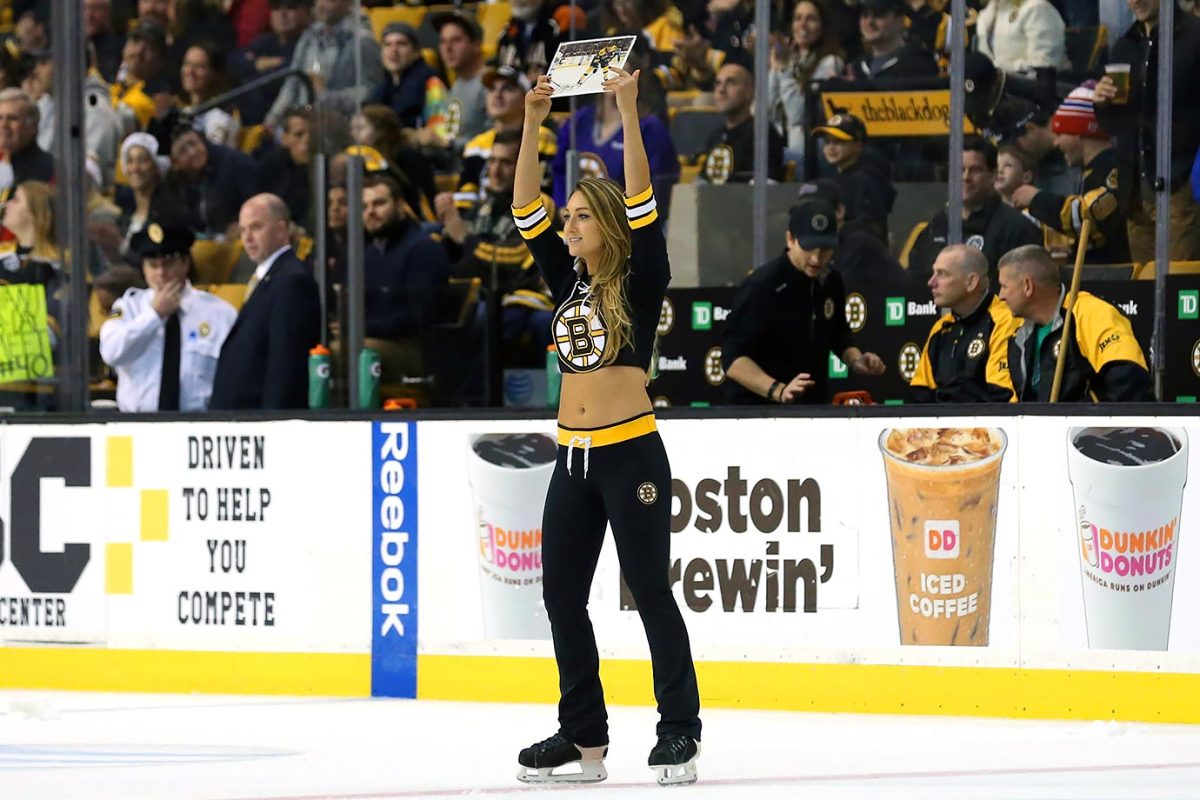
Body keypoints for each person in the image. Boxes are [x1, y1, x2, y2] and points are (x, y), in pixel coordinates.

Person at [511, 67, 702, 786]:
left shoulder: (642, 271)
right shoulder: (566, 279)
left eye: (581, 218)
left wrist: (626, 107)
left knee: (650, 590)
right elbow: (525, 200)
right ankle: (582, 737)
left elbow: (643, 196)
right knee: (561, 597)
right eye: (568, 221)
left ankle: (679, 729)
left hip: (631, 455)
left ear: (608, 224)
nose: (568, 227)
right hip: (572, 459)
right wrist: (534, 120)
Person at [722, 199, 886, 405]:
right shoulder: (762, 285)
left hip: (813, 407)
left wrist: (856, 360)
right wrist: (778, 390)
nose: (817, 259)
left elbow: (838, 334)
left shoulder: (830, 280)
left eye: (825, 250)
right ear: (790, 239)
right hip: (758, 410)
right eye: (809, 248)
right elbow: (732, 358)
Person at [1093, 0, 1200, 262]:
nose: (1135, 0)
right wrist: (1102, 103)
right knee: (1143, 286)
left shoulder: (1196, 37)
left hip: (1180, 181)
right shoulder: (1124, 45)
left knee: (1178, 284)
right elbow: (1115, 126)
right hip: (1136, 190)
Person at [99, 219, 237, 411]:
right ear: (143, 269)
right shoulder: (128, 308)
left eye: (168, 263)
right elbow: (111, 353)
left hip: (198, 427)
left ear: (185, 263)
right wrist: (154, 315)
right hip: (137, 427)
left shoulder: (219, 313)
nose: (160, 273)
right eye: (152, 265)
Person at [996, 244, 1153, 402]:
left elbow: (1129, 382)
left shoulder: (1091, 313)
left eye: (1004, 286)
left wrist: (1091, 424)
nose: (1000, 295)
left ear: (1027, 286)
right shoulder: (1020, 334)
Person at [209, 193, 321, 409]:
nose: (247, 238)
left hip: (262, 424)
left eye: (256, 227)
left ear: (281, 230)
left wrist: (273, 421)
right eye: (242, 230)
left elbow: (286, 363)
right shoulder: (269, 276)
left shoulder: (291, 280)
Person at [1011, 83, 1131, 266]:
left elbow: (1090, 216)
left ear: (1080, 133)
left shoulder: (1114, 167)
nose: (1056, 143)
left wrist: (1037, 198)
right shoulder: (1091, 171)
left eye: (1060, 133)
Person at [904, 136, 1042, 284]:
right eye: (960, 169)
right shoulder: (934, 229)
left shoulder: (1017, 229)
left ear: (993, 175)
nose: (965, 177)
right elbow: (913, 286)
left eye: (975, 170)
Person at [910, 245, 1018, 403]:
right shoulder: (940, 328)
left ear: (971, 282)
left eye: (942, 274)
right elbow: (920, 397)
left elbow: (1002, 398)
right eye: (934, 273)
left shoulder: (1004, 321)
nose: (931, 282)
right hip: (940, 427)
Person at [265, 0, 382, 127]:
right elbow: (292, 84)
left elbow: (371, 93)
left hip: (340, 125)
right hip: (302, 123)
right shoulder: (309, 37)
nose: (321, 4)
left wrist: (326, 96)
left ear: (349, 3)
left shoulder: (363, 42)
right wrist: (273, 119)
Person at [361, 173, 450, 340]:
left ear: (400, 207)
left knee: (340, 353)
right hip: (371, 338)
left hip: (410, 347)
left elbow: (418, 316)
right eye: (364, 206)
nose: (370, 212)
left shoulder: (423, 249)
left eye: (379, 203)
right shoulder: (368, 253)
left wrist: (366, 328)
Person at [769, 0, 845, 159]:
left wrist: (784, 70)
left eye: (811, 19)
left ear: (823, 26)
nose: (803, 24)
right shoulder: (789, 59)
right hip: (780, 146)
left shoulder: (831, 62)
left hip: (808, 152)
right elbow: (763, 110)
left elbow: (797, 114)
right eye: (798, 18)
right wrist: (774, 70)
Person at [167, 126, 261, 239]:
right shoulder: (172, 182)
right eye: (183, 151)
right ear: (174, 162)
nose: (193, 152)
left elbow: (257, 204)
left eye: (194, 143)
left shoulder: (234, 163)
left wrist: (243, 223)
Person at [812, 113, 895, 243]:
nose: (831, 147)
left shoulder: (866, 179)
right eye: (827, 141)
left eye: (839, 141)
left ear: (858, 145)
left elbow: (869, 228)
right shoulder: (835, 177)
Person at [700, 59, 785, 183]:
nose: (721, 90)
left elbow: (767, 187)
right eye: (718, 83)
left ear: (750, 92)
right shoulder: (715, 137)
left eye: (730, 83)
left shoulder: (762, 135)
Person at [430, 10, 489, 151]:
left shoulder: (490, 84)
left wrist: (447, 144)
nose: (448, 48)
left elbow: (495, 139)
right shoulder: (458, 84)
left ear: (476, 44)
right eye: (443, 41)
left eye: (456, 40)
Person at [975, 0, 1068, 77]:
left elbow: (1044, 66)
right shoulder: (989, 11)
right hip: (997, 86)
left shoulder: (1037, 7)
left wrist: (1000, 69)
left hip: (1029, 88)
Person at [0, 88, 54, 201]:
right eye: (0, 118)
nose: (3, 124)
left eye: (12, 118)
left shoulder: (50, 171)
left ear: (32, 127)